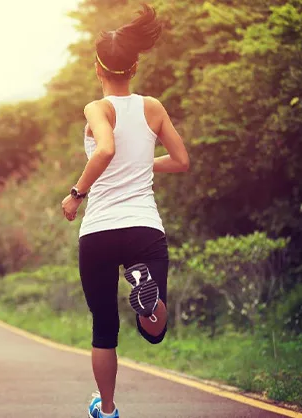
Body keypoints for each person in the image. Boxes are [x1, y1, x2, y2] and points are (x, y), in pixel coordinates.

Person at [60, 4, 190, 418]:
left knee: (104, 328)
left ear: (98, 70)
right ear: (134, 68)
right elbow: (182, 160)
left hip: (99, 230)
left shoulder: (97, 109)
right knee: (153, 332)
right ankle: (148, 305)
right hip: (144, 228)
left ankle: (109, 409)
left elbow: (106, 148)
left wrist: (76, 194)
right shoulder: (153, 106)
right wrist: (143, 165)